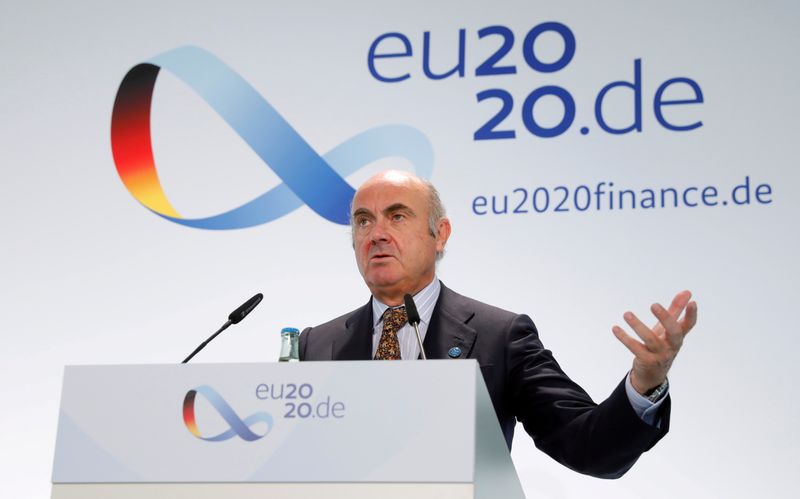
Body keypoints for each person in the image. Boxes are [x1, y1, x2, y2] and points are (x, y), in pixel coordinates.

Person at [299, 170, 697, 478]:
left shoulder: (498, 336)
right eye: (363, 222)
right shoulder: (316, 345)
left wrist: (645, 383)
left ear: (440, 234)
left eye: (397, 216)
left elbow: (586, 444)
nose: (377, 234)